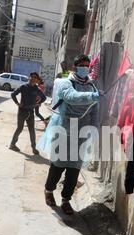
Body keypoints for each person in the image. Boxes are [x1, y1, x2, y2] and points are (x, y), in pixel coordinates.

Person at [43, 54, 100, 215]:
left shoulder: (91, 86)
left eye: (87, 66)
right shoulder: (65, 83)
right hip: (64, 129)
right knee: (57, 166)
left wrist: (94, 129)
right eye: (82, 65)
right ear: (75, 67)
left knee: (74, 169)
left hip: (81, 132)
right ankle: (48, 190)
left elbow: (94, 110)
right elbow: (71, 97)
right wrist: (91, 96)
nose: (85, 68)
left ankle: (66, 200)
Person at [10, 72, 47, 155]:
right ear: (29, 78)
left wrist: (38, 102)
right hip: (22, 111)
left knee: (32, 130)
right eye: (32, 77)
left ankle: (34, 148)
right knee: (19, 128)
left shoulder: (37, 89)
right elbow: (13, 94)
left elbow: (44, 98)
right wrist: (17, 103)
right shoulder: (24, 86)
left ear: (37, 80)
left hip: (31, 112)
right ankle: (12, 144)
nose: (33, 78)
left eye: (35, 77)